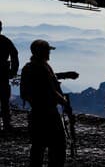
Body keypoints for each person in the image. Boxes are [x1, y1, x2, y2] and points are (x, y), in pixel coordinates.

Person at [20, 39, 78, 167]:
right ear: (42, 52)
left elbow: (23, 93)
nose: (49, 54)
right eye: (47, 51)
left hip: (35, 113)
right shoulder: (43, 68)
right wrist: (65, 103)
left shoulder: (27, 68)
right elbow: (51, 91)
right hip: (49, 114)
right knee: (58, 146)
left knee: (37, 147)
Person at [0, 20, 19, 131]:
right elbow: (14, 55)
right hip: (2, 74)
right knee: (4, 100)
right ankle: (6, 124)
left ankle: (7, 124)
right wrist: (13, 71)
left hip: (3, 73)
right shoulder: (5, 41)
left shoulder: (5, 41)